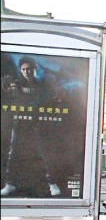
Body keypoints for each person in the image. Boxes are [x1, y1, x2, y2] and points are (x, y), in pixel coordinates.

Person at [1, 56, 62, 197]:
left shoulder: (43, 85)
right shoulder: (15, 84)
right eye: (24, 69)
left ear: (35, 69)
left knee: (45, 153)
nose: (26, 72)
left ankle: (52, 184)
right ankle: (9, 184)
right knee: (13, 153)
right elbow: (9, 101)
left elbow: (49, 101)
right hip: (20, 124)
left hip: (38, 123)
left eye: (29, 69)